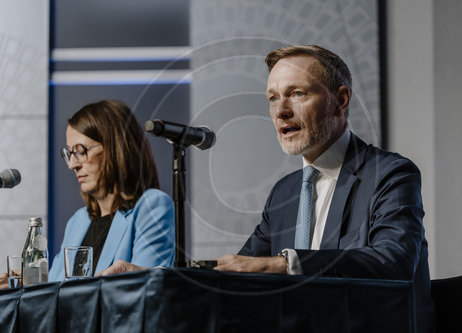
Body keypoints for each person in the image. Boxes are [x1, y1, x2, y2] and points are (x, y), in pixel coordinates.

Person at [98, 46, 434, 332]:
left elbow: (394, 261)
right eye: (273, 98)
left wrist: (283, 264)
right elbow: (233, 271)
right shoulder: (285, 193)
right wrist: (158, 277)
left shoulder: (390, 174)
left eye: (297, 94)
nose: (280, 111)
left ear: (340, 100)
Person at [48, 100, 175, 281]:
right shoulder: (77, 221)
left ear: (115, 148)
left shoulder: (151, 206)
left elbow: (145, 294)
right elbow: (54, 290)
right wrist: (25, 285)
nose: (72, 165)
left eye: (80, 151)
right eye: (69, 153)